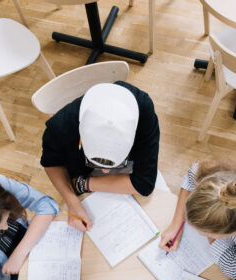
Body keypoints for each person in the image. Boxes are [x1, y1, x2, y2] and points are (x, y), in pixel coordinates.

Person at [40, 81, 160, 232]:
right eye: (94, 162)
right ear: (80, 139)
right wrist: (71, 200)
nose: (105, 172)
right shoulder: (60, 127)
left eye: (117, 163)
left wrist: (83, 184)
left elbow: (145, 183)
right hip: (77, 175)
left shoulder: (143, 109)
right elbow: (51, 163)